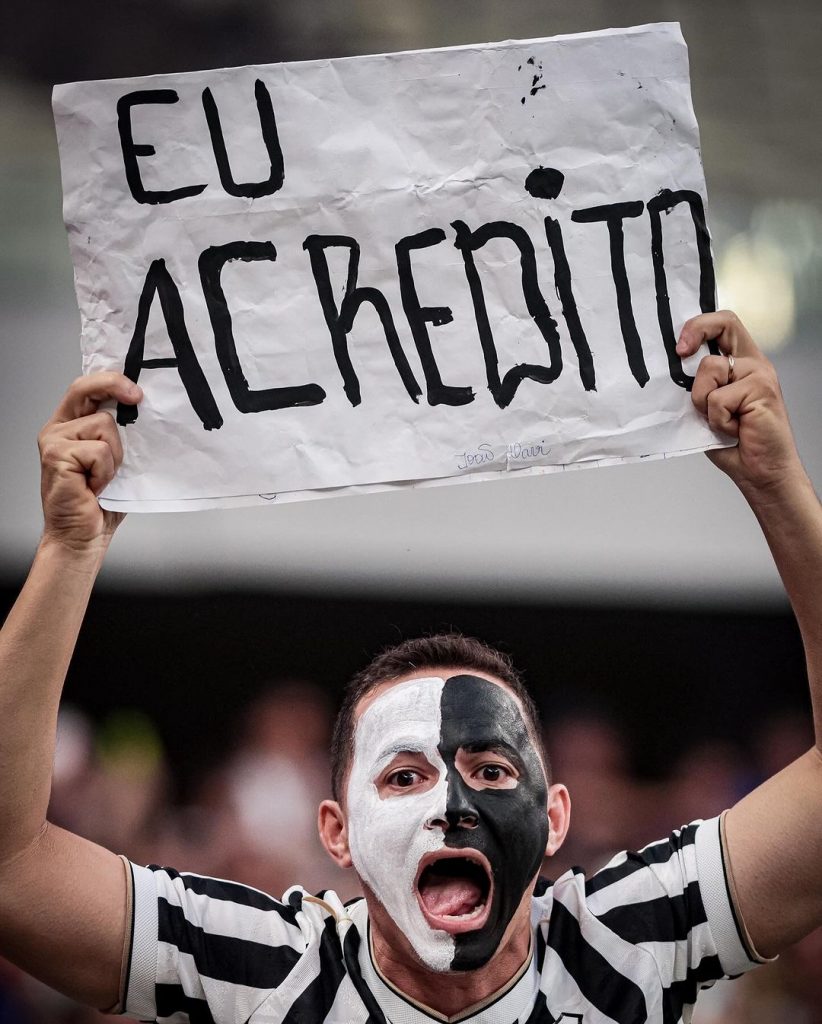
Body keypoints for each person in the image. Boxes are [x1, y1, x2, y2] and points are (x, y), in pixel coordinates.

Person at [0, 310, 820, 1024]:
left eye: (492, 769)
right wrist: (72, 547)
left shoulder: (629, 940)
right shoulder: (267, 970)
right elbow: (11, 867)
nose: (453, 805)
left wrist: (779, 484)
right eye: (401, 778)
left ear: (557, 818)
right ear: (337, 833)